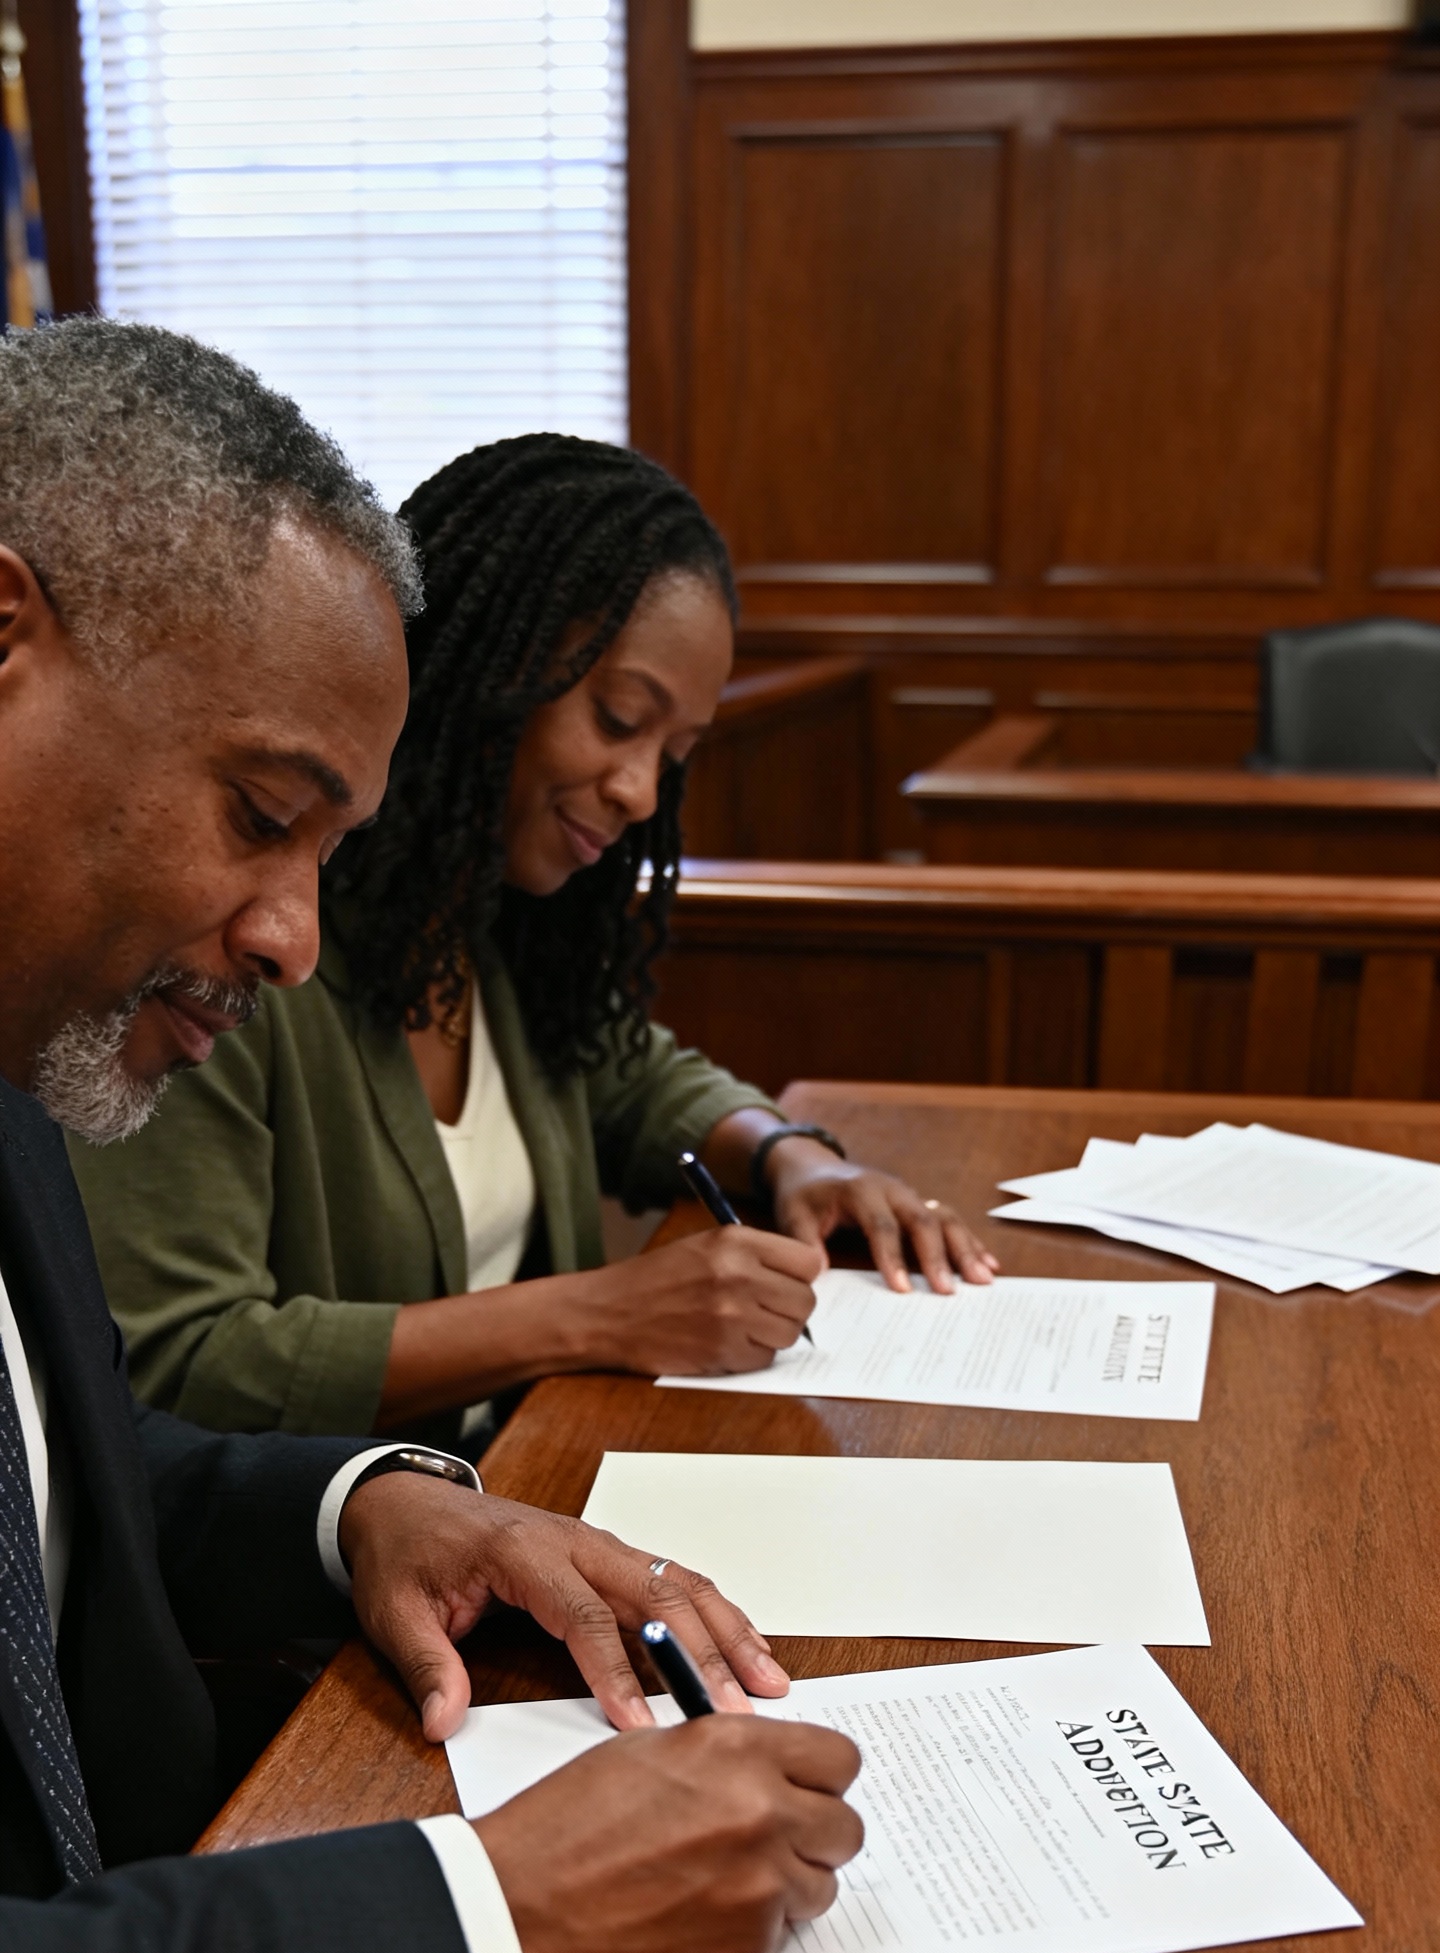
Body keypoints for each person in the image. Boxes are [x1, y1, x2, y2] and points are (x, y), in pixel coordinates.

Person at [0, 319, 863, 1953]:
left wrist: (369, 1500)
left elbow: (59, 1477)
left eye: (331, 841)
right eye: (257, 812)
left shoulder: (22, 1060)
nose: (294, 932)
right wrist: (488, 1917)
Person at [69, 434, 998, 1452]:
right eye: (617, 719)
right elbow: (178, 1361)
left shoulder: (487, 921)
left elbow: (623, 1070)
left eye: (673, 756)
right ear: (484, 672)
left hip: (520, 1489)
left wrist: (786, 1156)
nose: (640, 791)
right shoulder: (239, 957)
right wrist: (597, 1314)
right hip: (323, 1579)